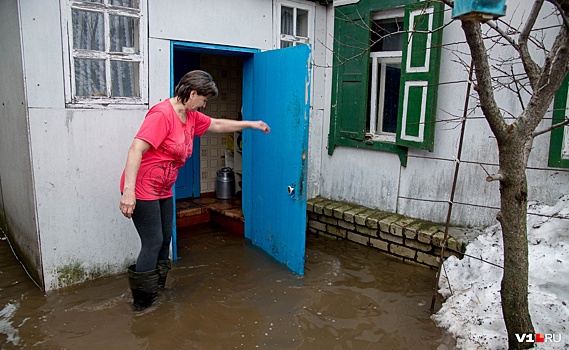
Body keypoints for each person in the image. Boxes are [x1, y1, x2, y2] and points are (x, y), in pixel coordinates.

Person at [119, 70, 270, 311]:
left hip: (163, 188)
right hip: (142, 186)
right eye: (204, 99)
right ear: (192, 93)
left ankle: (157, 291)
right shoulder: (162, 115)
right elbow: (136, 149)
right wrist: (129, 193)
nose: (204, 104)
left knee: (165, 238)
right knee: (153, 241)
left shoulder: (190, 116)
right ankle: (142, 304)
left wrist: (251, 124)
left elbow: (217, 124)